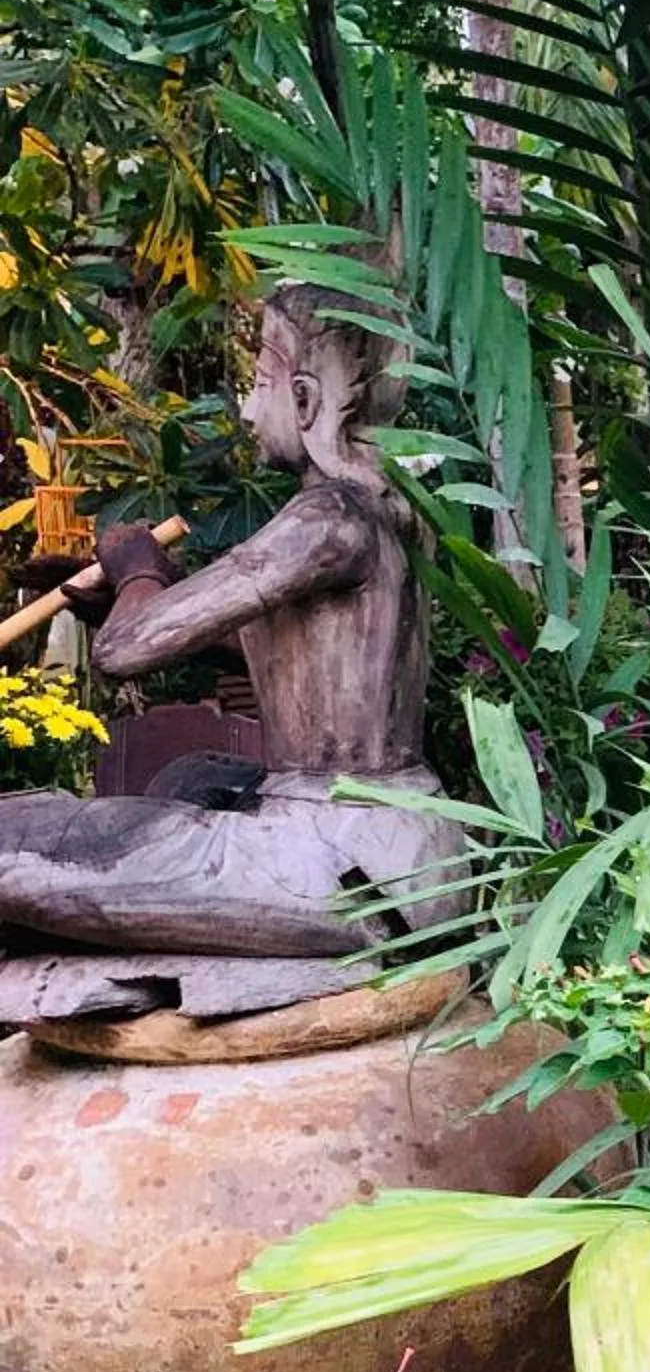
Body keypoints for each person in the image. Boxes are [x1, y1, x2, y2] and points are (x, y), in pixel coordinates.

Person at [0, 280, 466, 981]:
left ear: (305, 400)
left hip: (337, 859)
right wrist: (135, 593)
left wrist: (136, 570)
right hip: (402, 840)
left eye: (259, 383)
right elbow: (314, 671)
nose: (247, 409)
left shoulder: (327, 519)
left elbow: (124, 651)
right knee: (191, 777)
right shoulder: (393, 508)